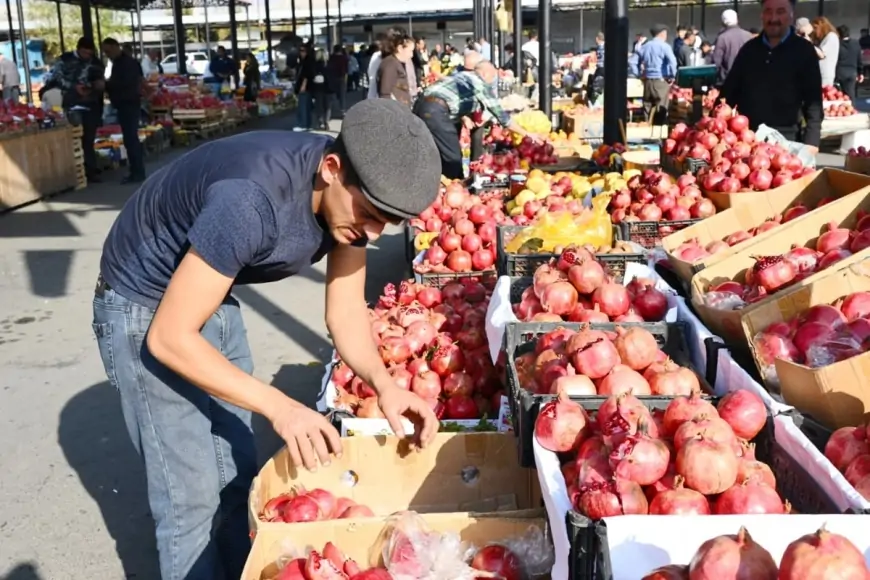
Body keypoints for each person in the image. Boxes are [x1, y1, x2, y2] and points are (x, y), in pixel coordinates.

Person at [91, 98, 440, 580]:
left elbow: (344, 313)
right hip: (141, 301)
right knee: (189, 498)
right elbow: (169, 338)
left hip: (211, 286)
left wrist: (384, 385)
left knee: (237, 471)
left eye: (387, 221)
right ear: (331, 170)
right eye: (367, 213)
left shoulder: (348, 200)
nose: (373, 232)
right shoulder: (250, 202)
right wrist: (282, 407)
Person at [720, 0, 822, 148]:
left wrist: (812, 142)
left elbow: (813, 100)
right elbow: (728, 93)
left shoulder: (804, 50)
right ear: (761, 15)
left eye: (780, 12)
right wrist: (714, 127)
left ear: (791, 15)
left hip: (787, 140)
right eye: (768, 11)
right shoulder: (748, 50)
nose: (773, 18)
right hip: (748, 140)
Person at [414, 60, 540, 179]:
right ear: (485, 74)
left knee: (428, 151)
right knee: (452, 157)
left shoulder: (462, 75)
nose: (492, 82)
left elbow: (453, 99)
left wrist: (465, 117)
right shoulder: (480, 83)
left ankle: (431, 182)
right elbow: (501, 116)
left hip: (420, 105)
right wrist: (526, 134)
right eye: (493, 77)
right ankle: (455, 185)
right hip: (435, 111)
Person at [45, 37, 104, 182]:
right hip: (71, 102)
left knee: (89, 138)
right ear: (78, 49)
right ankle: (76, 170)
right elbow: (55, 78)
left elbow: (100, 79)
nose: (87, 56)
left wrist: (97, 86)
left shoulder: (96, 62)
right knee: (74, 137)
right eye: (84, 53)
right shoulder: (64, 60)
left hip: (91, 103)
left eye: (90, 54)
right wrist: (73, 87)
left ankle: (91, 170)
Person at [102, 38, 146, 184]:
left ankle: (137, 172)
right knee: (130, 138)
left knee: (131, 138)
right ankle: (136, 170)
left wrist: (106, 85)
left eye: (108, 51)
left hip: (128, 103)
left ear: (116, 47)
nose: (107, 54)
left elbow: (124, 83)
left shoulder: (126, 64)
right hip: (126, 103)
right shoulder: (122, 63)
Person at [637, 25, 677, 126]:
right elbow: (673, 62)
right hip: (661, 80)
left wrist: (639, 74)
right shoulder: (665, 46)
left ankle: (646, 129)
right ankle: (658, 132)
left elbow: (633, 62)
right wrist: (672, 76)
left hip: (647, 81)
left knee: (647, 107)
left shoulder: (645, 46)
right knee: (661, 108)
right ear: (662, 34)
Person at [712, 10, 752, 86]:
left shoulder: (722, 38)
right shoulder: (749, 36)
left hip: (728, 81)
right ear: (737, 20)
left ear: (723, 22)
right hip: (748, 80)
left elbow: (716, 63)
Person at [378, 31, 413, 106]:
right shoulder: (390, 64)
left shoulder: (396, 63)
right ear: (400, 48)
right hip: (395, 109)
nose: (411, 55)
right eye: (410, 51)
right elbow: (385, 93)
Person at [836, 25, 864, 102]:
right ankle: (852, 106)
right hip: (852, 72)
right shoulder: (855, 43)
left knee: (840, 95)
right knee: (851, 93)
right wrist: (861, 72)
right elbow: (859, 59)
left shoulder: (837, 44)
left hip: (839, 72)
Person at [812, 17, 840, 87]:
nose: (814, 31)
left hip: (825, 74)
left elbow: (822, 54)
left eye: (815, 28)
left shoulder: (831, 36)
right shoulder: (825, 39)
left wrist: (809, 43)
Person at [294, 45, 315, 131]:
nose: (301, 53)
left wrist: (303, 86)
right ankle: (307, 124)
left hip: (305, 87)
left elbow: (306, 75)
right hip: (309, 87)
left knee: (303, 106)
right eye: (300, 51)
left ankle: (302, 125)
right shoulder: (308, 61)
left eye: (303, 51)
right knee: (307, 107)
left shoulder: (306, 62)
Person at [311, 49, 332, 129]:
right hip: (328, 88)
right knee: (327, 106)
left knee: (319, 106)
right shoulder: (328, 64)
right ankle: (326, 122)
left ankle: (320, 122)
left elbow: (312, 76)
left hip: (318, 88)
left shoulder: (314, 65)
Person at [328, 45, 349, 113]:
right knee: (342, 95)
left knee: (332, 94)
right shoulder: (344, 58)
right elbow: (346, 70)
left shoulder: (331, 57)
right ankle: (342, 110)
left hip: (332, 78)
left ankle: (330, 109)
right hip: (341, 78)